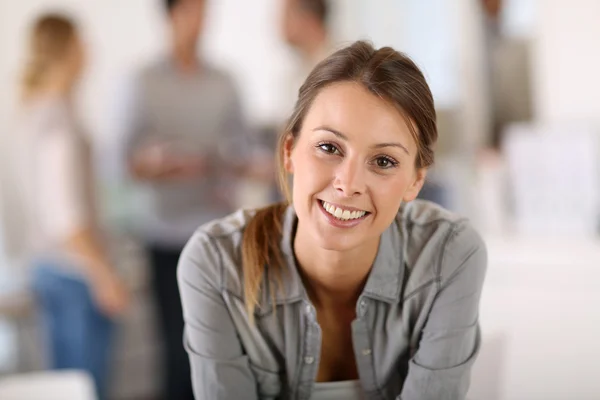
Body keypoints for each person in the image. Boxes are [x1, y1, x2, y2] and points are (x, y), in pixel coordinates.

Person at [178, 41, 488, 399]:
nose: (349, 185)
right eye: (329, 148)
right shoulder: (216, 264)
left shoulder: (449, 256)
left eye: (384, 161)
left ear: (415, 180)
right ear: (289, 151)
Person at [123, 0, 253, 398]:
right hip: (164, 234)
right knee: (175, 351)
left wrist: (220, 163)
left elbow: (243, 150)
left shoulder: (226, 80)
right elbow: (126, 161)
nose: (200, 22)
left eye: (205, 12)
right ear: (171, 16)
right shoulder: (142, 81)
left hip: (216, 232)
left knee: (219, 344)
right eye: (192, 11)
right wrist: (159, 162)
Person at [7, 14, 129, 400]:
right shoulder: (58, 121)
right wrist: (104, 275)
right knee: (83, 386)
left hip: (48, 267)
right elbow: (66, 218)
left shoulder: (29, 114)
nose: (89, 52)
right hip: (74, 275)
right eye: (82, 43)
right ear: (67, 51)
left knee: (64, 385)